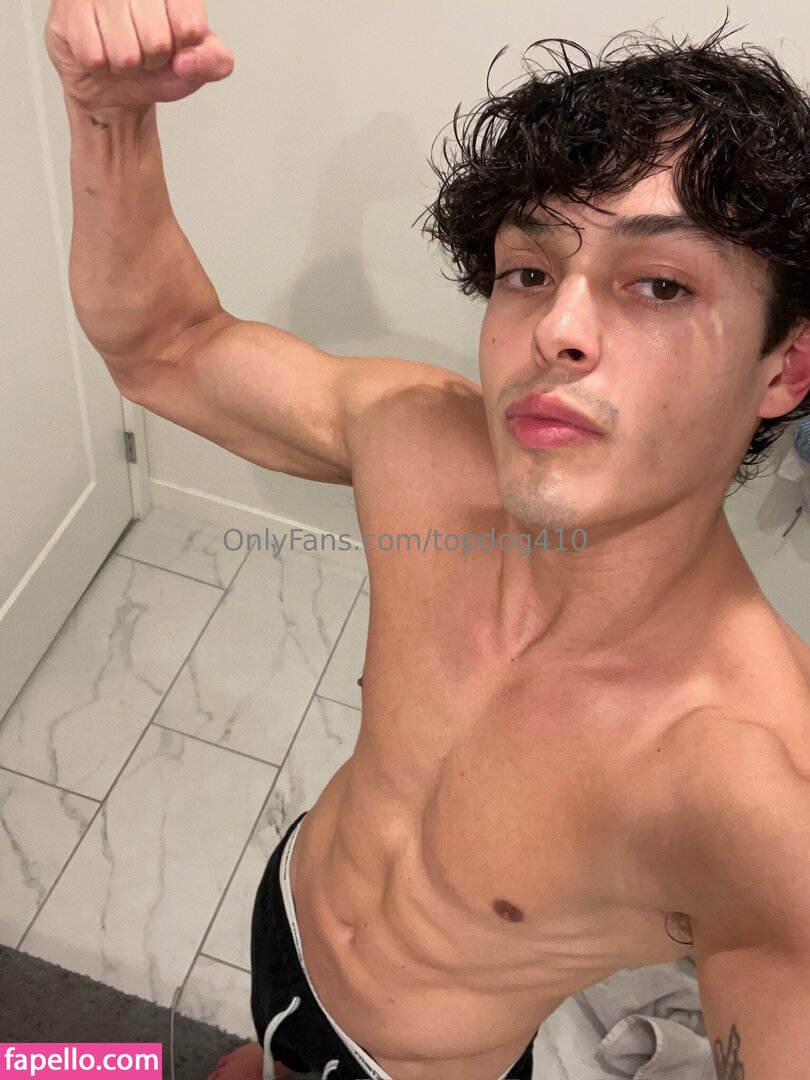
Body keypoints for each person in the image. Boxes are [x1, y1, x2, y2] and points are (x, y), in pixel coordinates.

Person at [45, 4, 810, 1078]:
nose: (558, 330)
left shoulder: (751, 783)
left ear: (785, 367)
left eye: (661, 284)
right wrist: (105, 114)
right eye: (527, 272)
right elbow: (164, 344)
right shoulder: (421, 446)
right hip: (289, 917)